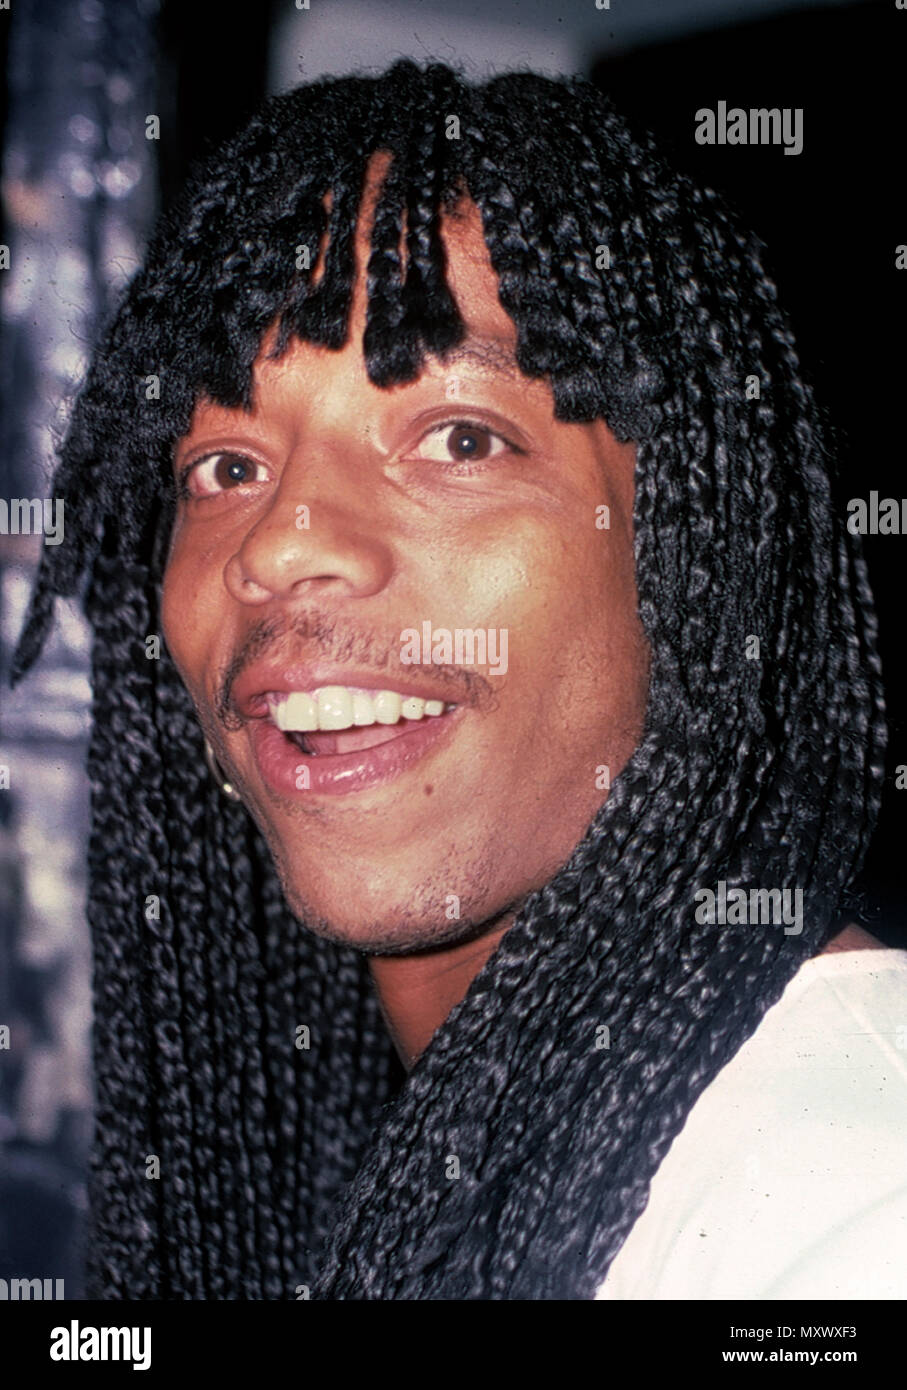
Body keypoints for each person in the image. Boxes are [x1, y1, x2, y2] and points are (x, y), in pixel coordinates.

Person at [11, 58, 906, 1301]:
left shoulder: (854, 1220)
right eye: (225, 466)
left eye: (460, 439)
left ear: (694, 553)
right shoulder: (393, 1163)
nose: (279, 546)